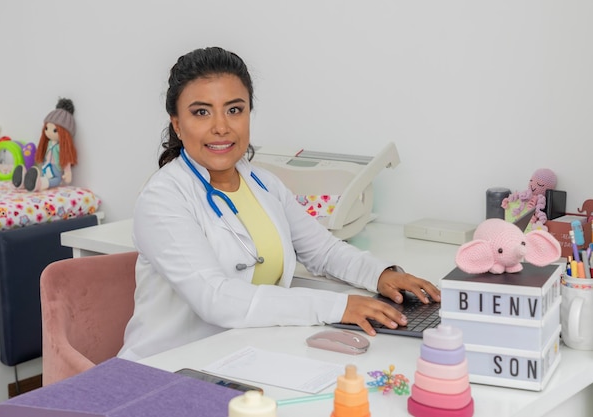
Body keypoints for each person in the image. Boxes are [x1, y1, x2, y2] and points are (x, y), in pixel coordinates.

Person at [118, 46, 440, 361]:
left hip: (244, 355)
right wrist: (338, 307)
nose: (221, 126)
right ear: (177, 124)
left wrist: (381, 275)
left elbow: (323, 251)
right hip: (167, 368)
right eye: (201, 112)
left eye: (234, 109)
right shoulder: (162, 199)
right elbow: (215, 299)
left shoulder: (262, 183)